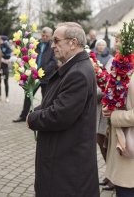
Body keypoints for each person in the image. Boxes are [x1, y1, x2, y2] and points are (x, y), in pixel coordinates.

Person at [27, 22, 99, 197]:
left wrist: (33, 119)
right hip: (64, 159)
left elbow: (59, 115)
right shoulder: (74, 68)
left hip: (67, 164)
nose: (52, 45)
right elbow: (54, 100)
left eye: (56, 41)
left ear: (73, 43)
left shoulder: (78, 73)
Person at [102, 35, 134, 197]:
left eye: (120, 39)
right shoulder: (122, 66)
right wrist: (107, 108)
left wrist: (114, 116)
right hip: (121, 147)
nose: (116, 43)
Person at [13, 27, 57, 122]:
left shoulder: (53, 46)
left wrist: (42, 71)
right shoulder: (35, 44)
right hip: (33, 76)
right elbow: (29, 55)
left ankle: (42, 117)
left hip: (46, 77)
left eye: (47, 36)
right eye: (43, 35)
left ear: (51, 36)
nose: (44, 37)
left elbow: (54, 62)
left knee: (45, 98)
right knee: (28, 95)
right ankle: (23, 115)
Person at [94, 39, 113, 161]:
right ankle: (109, 173)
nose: (101, 47)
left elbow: (108, 83)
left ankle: (111, 174)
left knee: (105, 142)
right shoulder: (93, 57)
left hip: (108, 105)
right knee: (100, 141)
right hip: (100, 105)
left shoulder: (111, 59)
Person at [0, 36, 11, 102]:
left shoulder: (7, 47)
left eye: (0, 40)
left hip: (5, 68)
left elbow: (9, 58)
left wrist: (3, 59)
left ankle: (7, 97)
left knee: (6, 82)